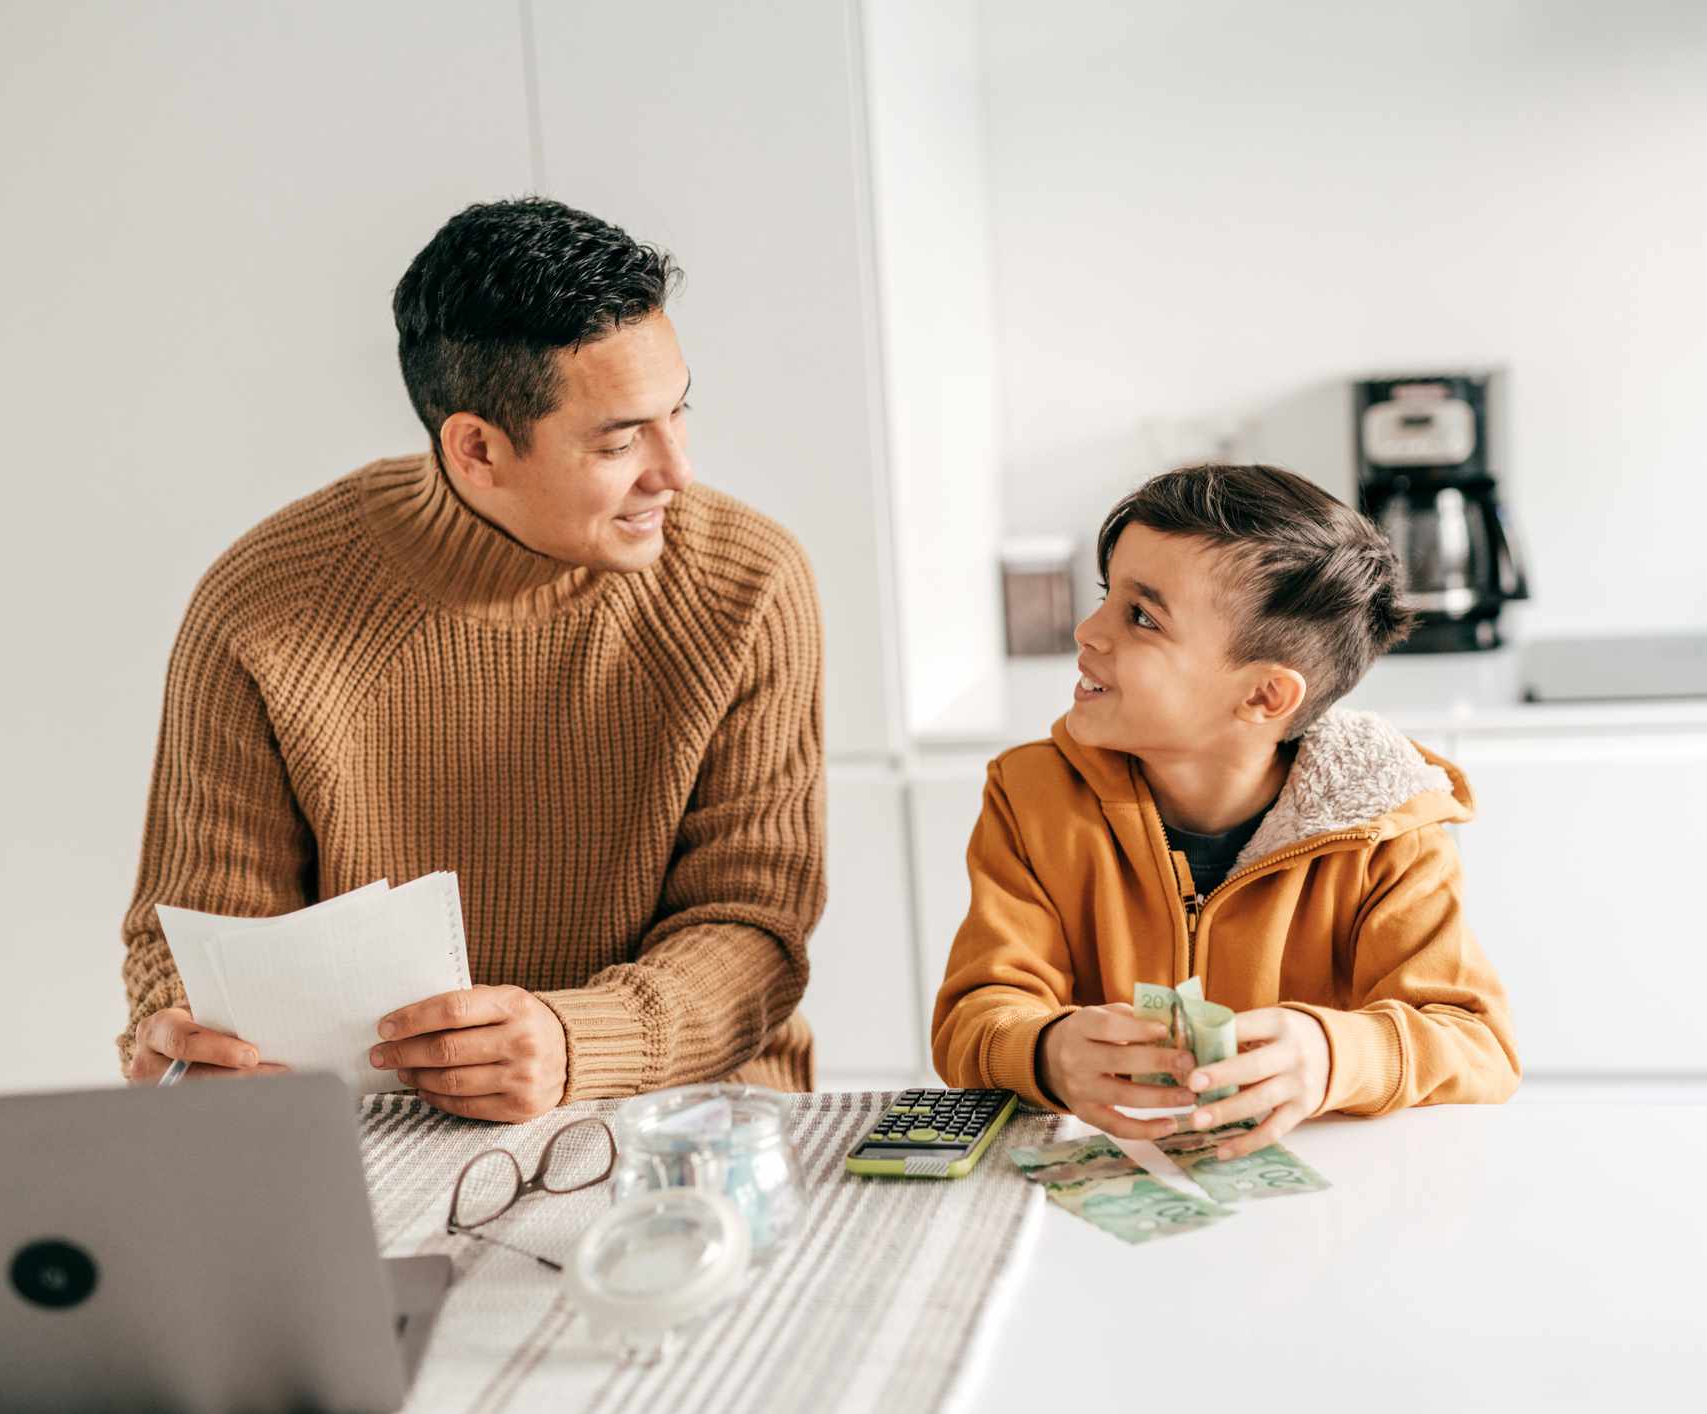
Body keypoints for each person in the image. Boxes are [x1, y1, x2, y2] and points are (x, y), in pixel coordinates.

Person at [118, 197, 826, 1122]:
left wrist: (578, 1042)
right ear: (478, 449)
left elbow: (754, 925)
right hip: (374, 1132)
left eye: (678, 411)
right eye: (620, 440)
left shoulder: (748, 583)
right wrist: (183, 1038)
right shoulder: (264, 604)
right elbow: (199, 932)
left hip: (693, 1122)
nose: (676, 469)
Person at [932, 463, 1517, 1157]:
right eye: (1105, 595)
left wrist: (1333, 1055)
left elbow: (1477, 1042)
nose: (1087, 630)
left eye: (1142, 616)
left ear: (1265, 698)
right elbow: (972, 1019)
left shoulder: (1386, 825)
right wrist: (1046, 1050)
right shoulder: (1032, 799)